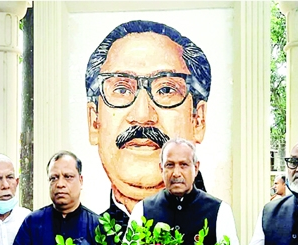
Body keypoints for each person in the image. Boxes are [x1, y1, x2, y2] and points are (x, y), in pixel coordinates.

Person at [85, 20, 210, 231]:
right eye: (122, 89)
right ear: (94, 121)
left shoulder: (214, 219)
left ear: (198, 120)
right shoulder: (85, 234)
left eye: (166, 90)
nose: (142, 115)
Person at [128, 139, 242, 245]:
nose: (176, 173)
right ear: (161, 169)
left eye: (184, 165)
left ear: (196, 168)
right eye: (170, 165)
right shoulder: (143, 210)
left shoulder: (219, 211)